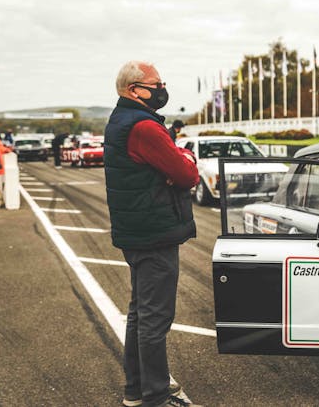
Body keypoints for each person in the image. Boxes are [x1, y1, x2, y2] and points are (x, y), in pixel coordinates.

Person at [104, 61, 200, 407]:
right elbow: (186, 174)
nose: (162, 89)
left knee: (141, 314)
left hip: (136, 230)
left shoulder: (121, 120)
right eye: (156, 84)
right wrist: (182, 162)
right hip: (153, 231)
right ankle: (155, 395)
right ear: (134, 90)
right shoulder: (144, 126)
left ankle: (136, 388)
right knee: (155, 318)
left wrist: (178, 160)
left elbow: (174, 162)